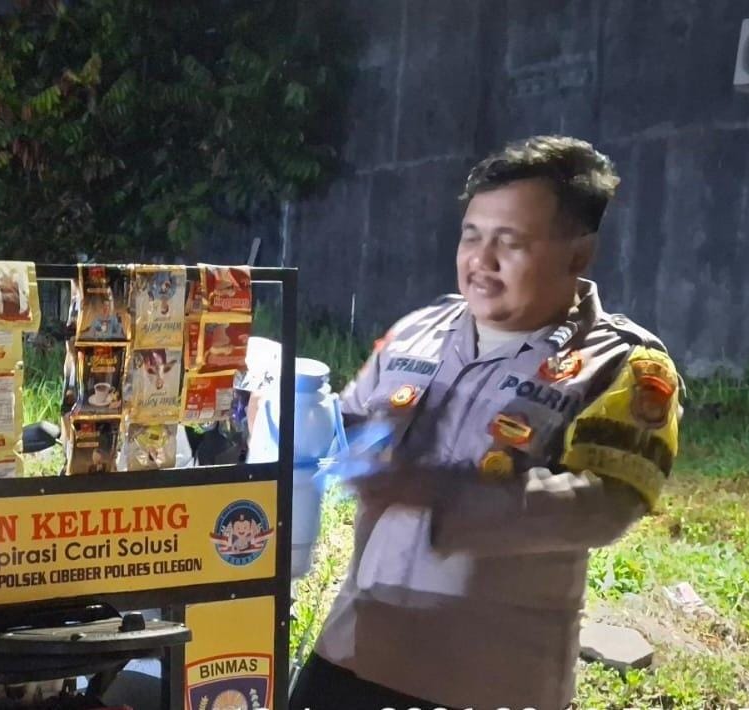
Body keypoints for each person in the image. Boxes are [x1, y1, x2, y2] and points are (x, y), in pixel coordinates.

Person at [289, 136, 683, 710]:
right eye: (471, 235)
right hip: (355, 652)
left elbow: (606, 505)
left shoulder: (622, 364)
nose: (481, 260)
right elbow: (337, 430)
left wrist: (441, 494)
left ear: (579, 255)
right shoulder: (420, 331)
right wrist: (283, 411)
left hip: (488, 679)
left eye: (510, 242)